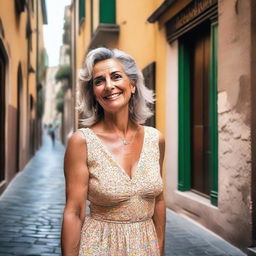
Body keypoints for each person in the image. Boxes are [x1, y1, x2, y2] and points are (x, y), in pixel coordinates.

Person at [61, 47, 166, 256]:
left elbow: (159, 201)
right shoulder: (82, 142)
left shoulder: (156, 139)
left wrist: (159, 249)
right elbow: (74, 212)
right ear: (94, 93)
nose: (109, 86)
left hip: (146, 247)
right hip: (99, 247)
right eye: (99, 81)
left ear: (132, 85)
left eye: (116, 77)